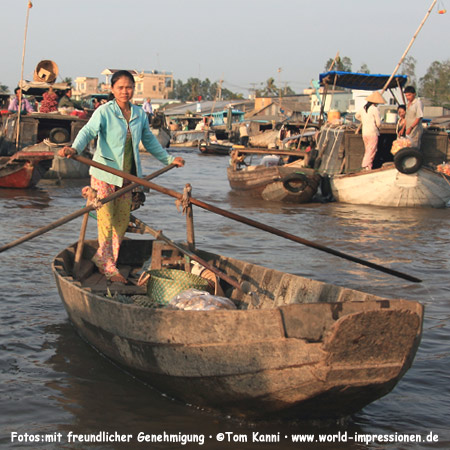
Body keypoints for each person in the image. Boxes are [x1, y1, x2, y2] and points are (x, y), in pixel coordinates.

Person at [58, 70, 185, 283]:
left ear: (134, 89)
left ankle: (103, 258)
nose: (125, 91)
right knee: (106, 220)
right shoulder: (104, 112)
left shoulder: (139, 114)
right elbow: (88, 131)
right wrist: (74, 149)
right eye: (120, 87)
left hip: (128, 176)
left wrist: (169, 160)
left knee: (121, 221)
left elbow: (150, 141)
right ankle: (108, 266)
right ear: (112, 89)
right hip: (104, 173)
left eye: (129, 87)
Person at [355, 91, 385, 171]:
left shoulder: (363, 108)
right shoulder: (375, 109)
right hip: (372, 132)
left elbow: (356, 116)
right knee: (372, 150)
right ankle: (366, 166)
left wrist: (364, 120)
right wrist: (379, 126)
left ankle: (368, 166)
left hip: (365, 132)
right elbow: (378, 123)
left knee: (368, 150)